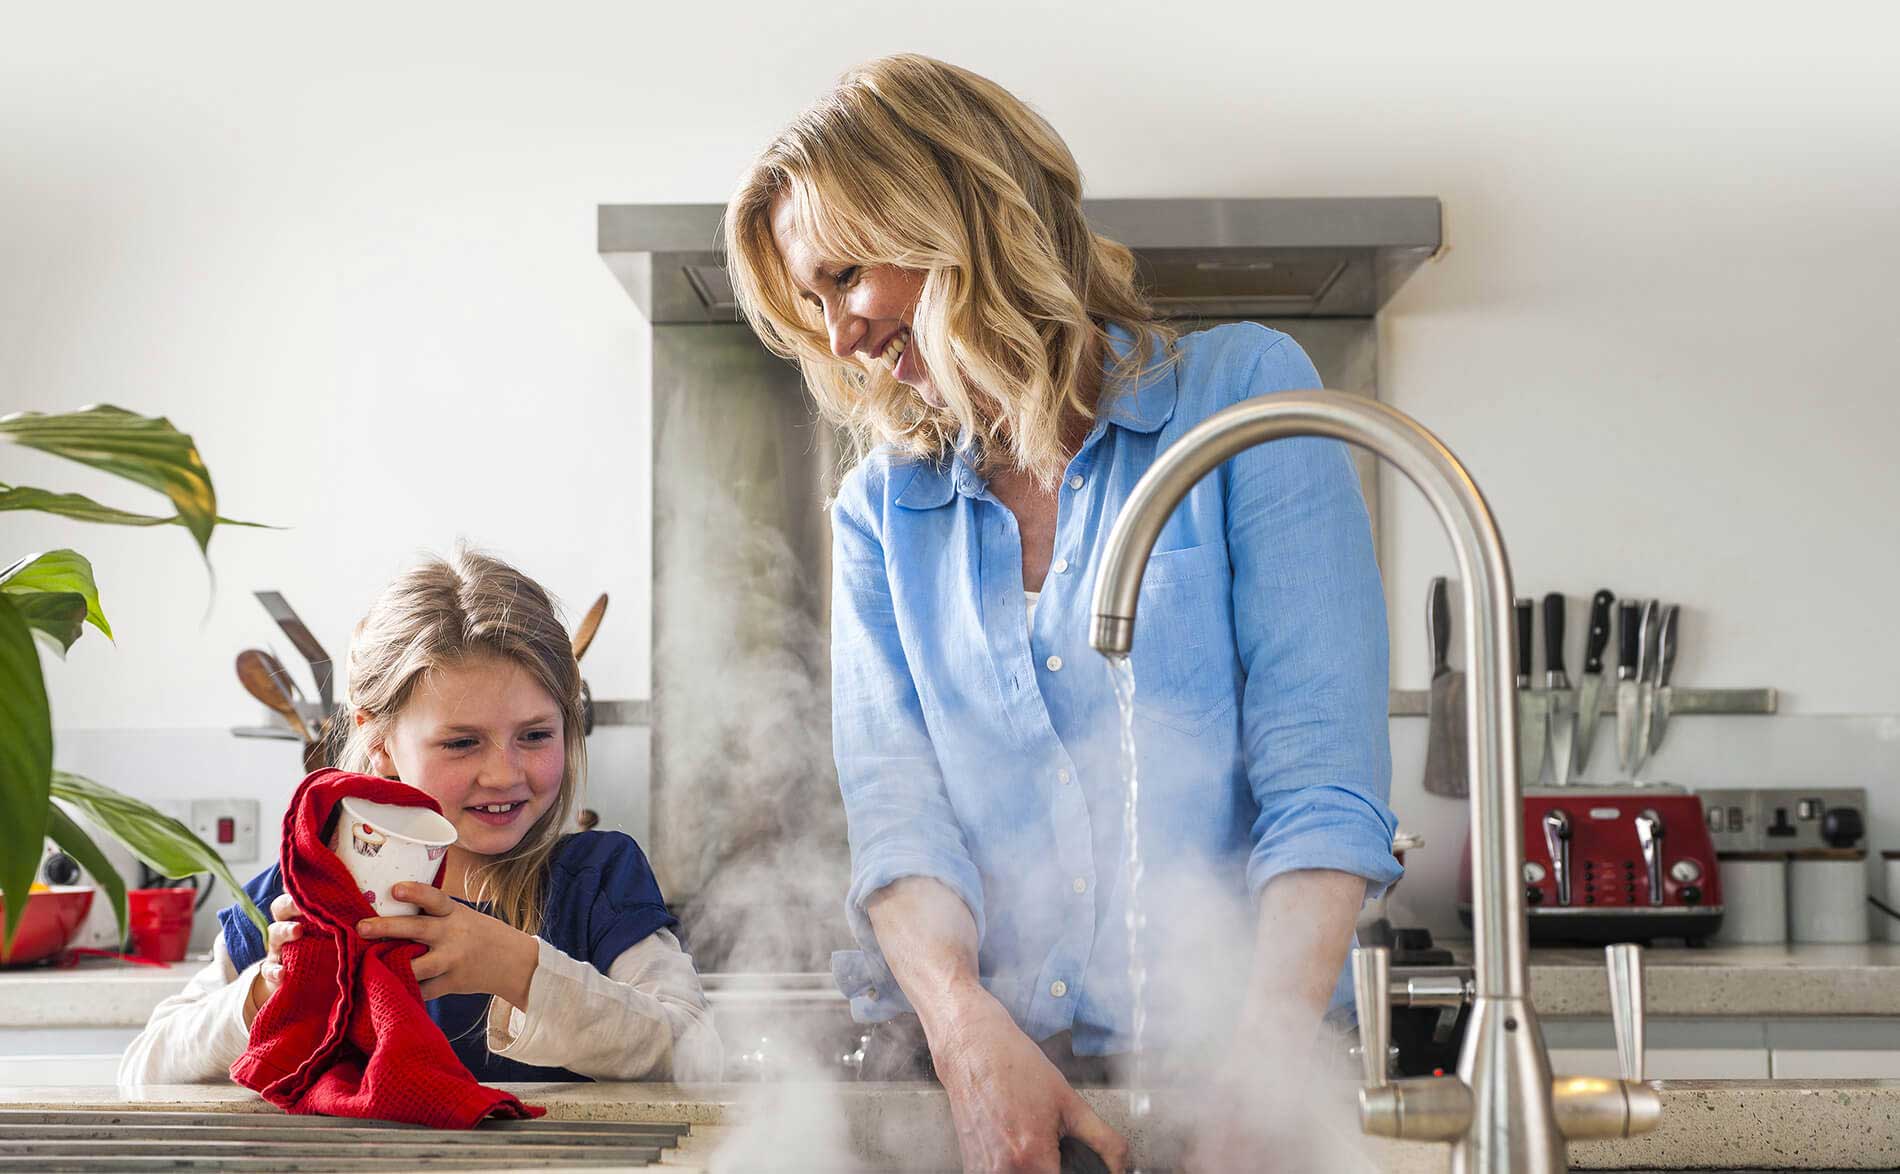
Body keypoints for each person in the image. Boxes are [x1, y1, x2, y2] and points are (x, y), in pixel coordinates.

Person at [724, 55, 1401, 1172]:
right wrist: (961, 1029)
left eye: (843, 276)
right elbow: (901, 819)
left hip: (1245, 1084)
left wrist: (1260, 1078)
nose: (838, 335)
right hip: (1000, 1096)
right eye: (814, 303)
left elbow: (1323, 791)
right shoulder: (881, 514)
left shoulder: (1241, 401)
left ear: (950, 217)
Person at [119, 549, 721, 1085]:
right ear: (379, 743)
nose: (504, 773)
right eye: (461, 743)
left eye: (535, 735)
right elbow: (145, 1064)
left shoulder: (597, 878)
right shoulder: (304, 886)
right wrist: (266, 989)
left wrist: (516, 967)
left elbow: (694, 1054)